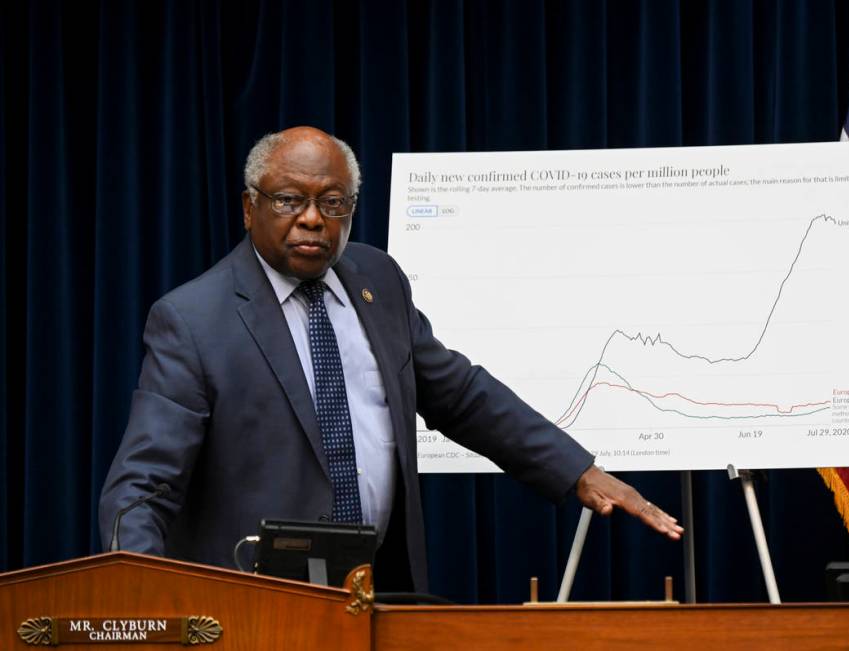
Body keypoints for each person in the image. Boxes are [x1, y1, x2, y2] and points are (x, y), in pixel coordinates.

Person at [99, 126, 682, 592]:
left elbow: (459, 395)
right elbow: (144, 485)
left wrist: (578, 470)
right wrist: (151, 595)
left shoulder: (377, 279)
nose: (311, 219)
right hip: (258, 605)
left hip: (378, 591)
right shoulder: (194, 320)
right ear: (250, 209)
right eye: (289, 200)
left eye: (332, 203)